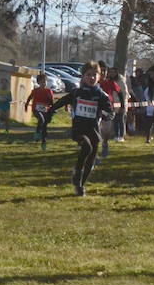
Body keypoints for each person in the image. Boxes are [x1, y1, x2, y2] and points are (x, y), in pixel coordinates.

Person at [48, 62, 113, 196]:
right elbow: (62, 101)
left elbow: (109, 111)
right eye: (88, 75)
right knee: (87, 148)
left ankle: (80, 185)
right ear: (83, 77)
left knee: (92, 157)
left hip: (93, 129)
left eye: (94, 75)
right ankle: (77, 172)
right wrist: (51, 109)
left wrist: (108, 115)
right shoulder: (77, 92)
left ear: (99, 77)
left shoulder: (101, 95)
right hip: (79, 129)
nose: (92, 78)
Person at [24, 75, 55, 149]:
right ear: (38, 83)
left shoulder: (49, 91)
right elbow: (29, 97)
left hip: (45, 110)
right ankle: (37, 133)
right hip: (36, 109)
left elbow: (51, 102)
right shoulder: (35, 91)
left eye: (45, 82)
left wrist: (52, 109)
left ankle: (43, 143)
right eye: (42, 82)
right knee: (41, 119)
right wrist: (26, 105)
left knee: (44, 126)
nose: (43, 83)